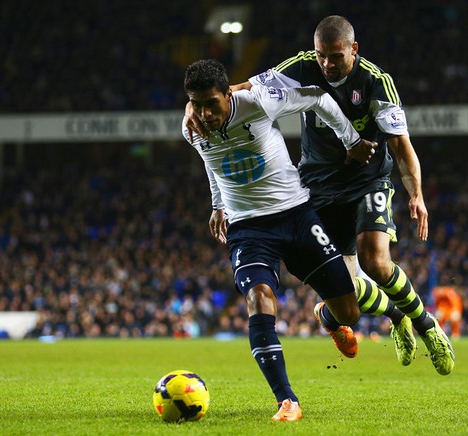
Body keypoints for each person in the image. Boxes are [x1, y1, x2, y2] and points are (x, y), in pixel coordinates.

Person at [185, 15, 454, 374]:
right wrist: (195, 105)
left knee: (375, 261)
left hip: (367, 180)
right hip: (317, 186)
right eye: (321, 56)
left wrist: (416, 195)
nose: (327, 64)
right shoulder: (300, 66)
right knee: (348, 288)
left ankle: (427, 327)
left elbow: (402, 146)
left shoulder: (376, 83)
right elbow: (242, 87)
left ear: (353, 50)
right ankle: (393, 316)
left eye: (336, 56)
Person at [182, 59, 379, 421]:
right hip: (249, 229)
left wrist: (350, 140)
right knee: (259, 298)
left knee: (350, 311)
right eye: (196, 104)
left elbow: (317, 96)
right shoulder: (191, 126)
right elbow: (213, 161)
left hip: (296, 216)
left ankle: (329, 319)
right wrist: (218, 205)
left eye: (212, 103)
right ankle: (286, 400)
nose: (205, 113)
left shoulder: (260, 101)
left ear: (229, 94)